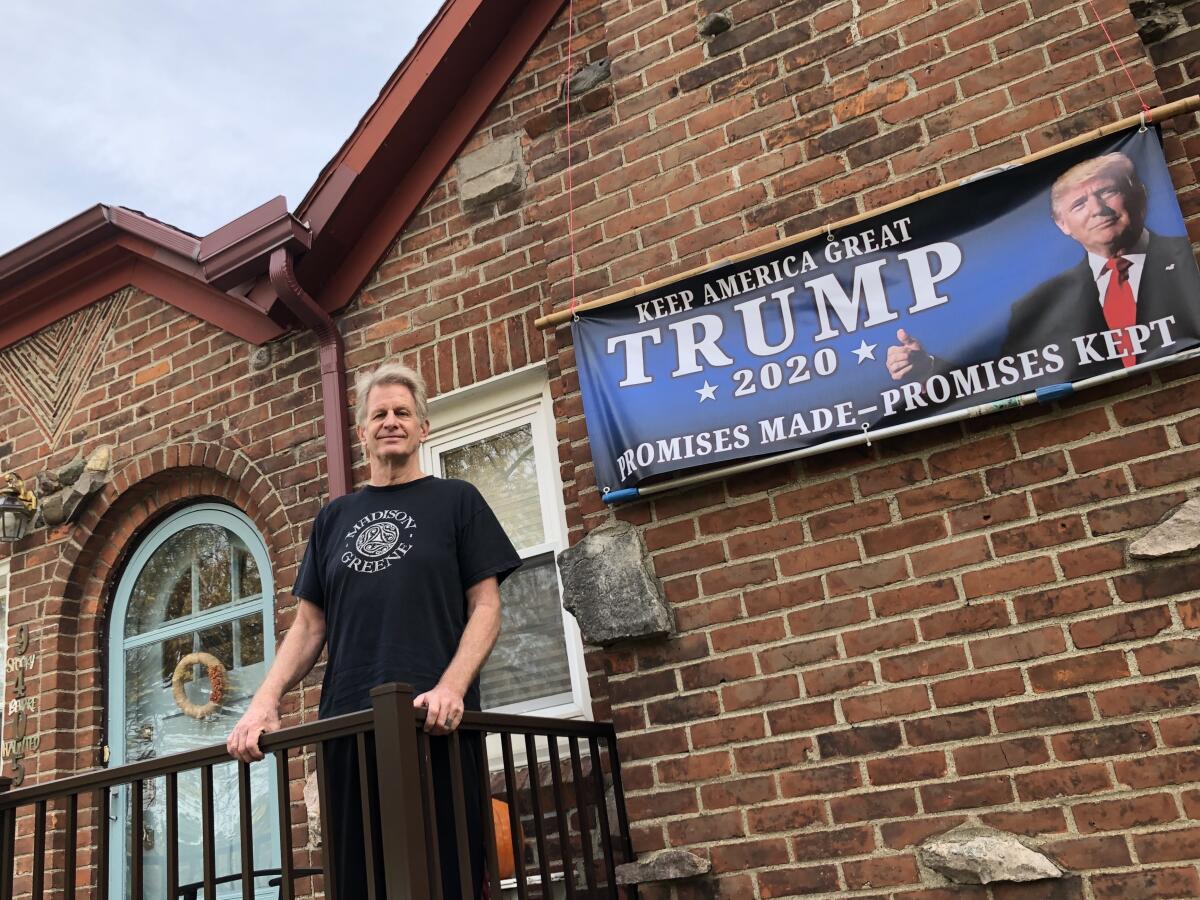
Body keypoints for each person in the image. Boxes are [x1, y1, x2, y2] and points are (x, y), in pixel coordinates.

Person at [226, 362, 521, 899]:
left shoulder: (458, 501)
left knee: (445, 875)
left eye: (402, 412)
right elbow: (310, 626)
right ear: (361, 432)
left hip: (435, 723)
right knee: (360, 880)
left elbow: (486, 607)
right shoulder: (333, 519)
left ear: (423, 428)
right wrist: (264, 700)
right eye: (378, 414)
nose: (391, 421)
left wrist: (453, 687)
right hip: (347, 728)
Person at [887, 151, 1200, 386]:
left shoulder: (1188, 255)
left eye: (1107, 192)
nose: (1097, 209)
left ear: (1139, 198)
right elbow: (1002, 381)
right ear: (1063, 225)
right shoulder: (1036, 306)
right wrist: (928, 367)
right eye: (1079, 204)